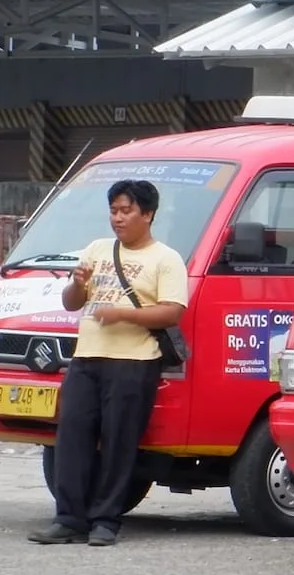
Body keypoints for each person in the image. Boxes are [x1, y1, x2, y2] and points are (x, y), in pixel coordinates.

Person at [29, 179, 187, 548]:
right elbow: (72, 302)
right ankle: (68, 518)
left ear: (147, 214)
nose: (117, 218)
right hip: (86, 358)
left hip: (133, 362)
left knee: (118, 441)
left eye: (126, 210)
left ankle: (105, 521)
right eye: (114, 210)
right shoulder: (97, 250)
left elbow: (171, 312)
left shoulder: (166, 258)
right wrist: (77, 284)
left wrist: (122, 314)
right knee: (71, 437)